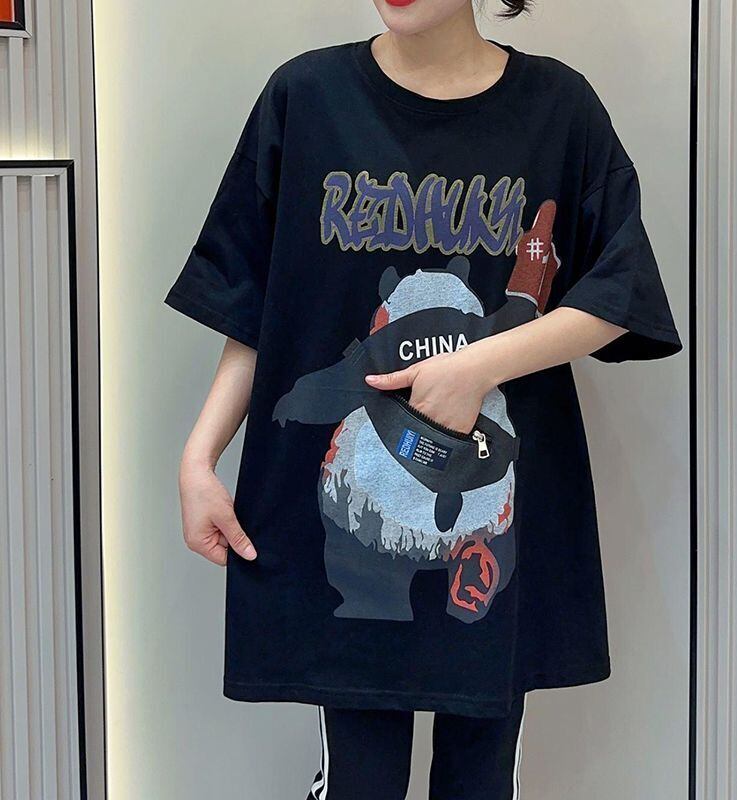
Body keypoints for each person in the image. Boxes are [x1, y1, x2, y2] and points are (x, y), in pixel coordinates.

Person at [164, 0, 683, 797]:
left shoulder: (558, 109)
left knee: (481, 781)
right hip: (352, 528)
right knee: (359, 781)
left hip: (492, 529)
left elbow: (619, 293)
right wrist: (200, 458)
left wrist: (479, 366)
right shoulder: (306, 99)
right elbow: (254, 304)